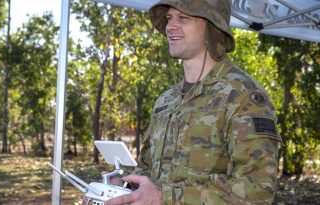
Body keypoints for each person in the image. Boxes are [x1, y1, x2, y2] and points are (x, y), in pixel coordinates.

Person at [105, 0, 282, 204]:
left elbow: (257, 191)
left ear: (212, 27)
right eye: (169, 18)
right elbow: (148, 171)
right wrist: (124, 190)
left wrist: (165, 198)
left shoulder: (242, 96)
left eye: (183, 18)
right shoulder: (166, 101)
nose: (170, 26)